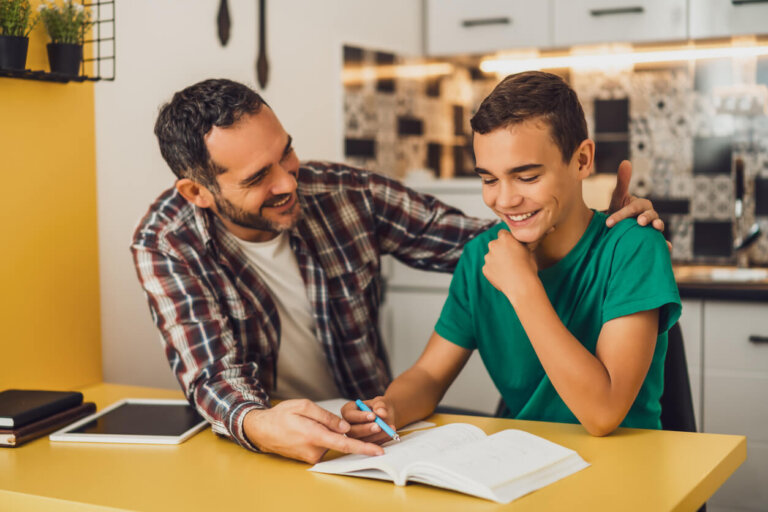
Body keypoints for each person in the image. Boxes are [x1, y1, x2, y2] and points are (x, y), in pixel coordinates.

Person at [132, 78, 664, 463]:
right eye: (256, 178)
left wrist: (602, 217)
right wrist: (262, 423)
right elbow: (211, 375)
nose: (289, 182)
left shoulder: (347, 194)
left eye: (286, 154)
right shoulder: (165, 243)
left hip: (366, 432)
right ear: (197, 192)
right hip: (275, 440)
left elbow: (494, 235)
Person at [342, 71, 681, 442]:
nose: (503, 200)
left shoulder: (634, 248)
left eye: (527, 177)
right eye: (489, 180)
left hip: (627, 471)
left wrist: (522, 285)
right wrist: (389, 407)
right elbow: (429, 375)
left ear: (582, 160)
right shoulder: (480, 258)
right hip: (525, 463)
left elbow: (603, 414)